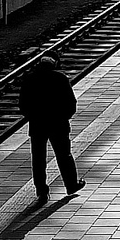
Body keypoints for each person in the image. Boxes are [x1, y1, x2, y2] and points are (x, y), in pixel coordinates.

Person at [18, 50, 85, 205]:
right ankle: (71, 185)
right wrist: (64, 117)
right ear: (55, 64)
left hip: (37, 125)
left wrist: (32, 117)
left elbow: (22, 104)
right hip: (58, 124)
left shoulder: (30, 79)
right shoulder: (60, 78)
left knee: (38, 159)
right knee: (64, 155)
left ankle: (41, 192)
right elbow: (71, 103)